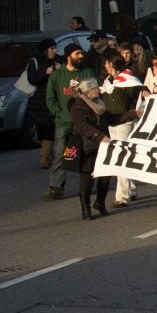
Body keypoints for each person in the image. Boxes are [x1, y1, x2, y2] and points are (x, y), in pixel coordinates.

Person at [65, 77, 132, 219]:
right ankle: (86, 209)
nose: (98, 89)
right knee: (87, 178)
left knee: (106, 176)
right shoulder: (77, 106)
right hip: (87, 147)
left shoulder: (99, 104)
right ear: (89, 91)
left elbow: (113, 119)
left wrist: (132, 114)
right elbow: (82, 126)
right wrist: (100, 135)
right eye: (96, 88)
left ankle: (100, 203)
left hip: (102, 146)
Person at [43, 43, 94, 200]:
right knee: (59, 155)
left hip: (84, 123)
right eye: (77, 53)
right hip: (63, 123)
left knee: (87, 154)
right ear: (68, 56)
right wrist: (59, 113)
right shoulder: (57, 75)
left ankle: (88, 186)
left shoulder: (87, 72)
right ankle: (56, 188)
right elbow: (50, 98)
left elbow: (94, 94)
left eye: (81, 53)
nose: (81, 56)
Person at [100, 51, 143, 208]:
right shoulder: (109, 80)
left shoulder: (128, 80)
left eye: (106, 63)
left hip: (124, 123)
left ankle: (122, 196)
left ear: (112, 64)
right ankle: (131, 189)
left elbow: (138, 97)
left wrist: (132, 114)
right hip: (112, 123)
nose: (104, 66)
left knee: (121, 158)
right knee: (122, 156)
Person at [24, 39, 59, 169]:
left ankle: (46, 159)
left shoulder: (58, 60)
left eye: (55, 48)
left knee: (51, 129)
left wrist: (59, 70)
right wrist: (45, 73)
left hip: (54, 99)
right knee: (43, 130)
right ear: (45, 50)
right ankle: (47, 157)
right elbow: (32, 79)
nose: (54, 51)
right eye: (51, 49)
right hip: (39, 102)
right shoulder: (35, 61)